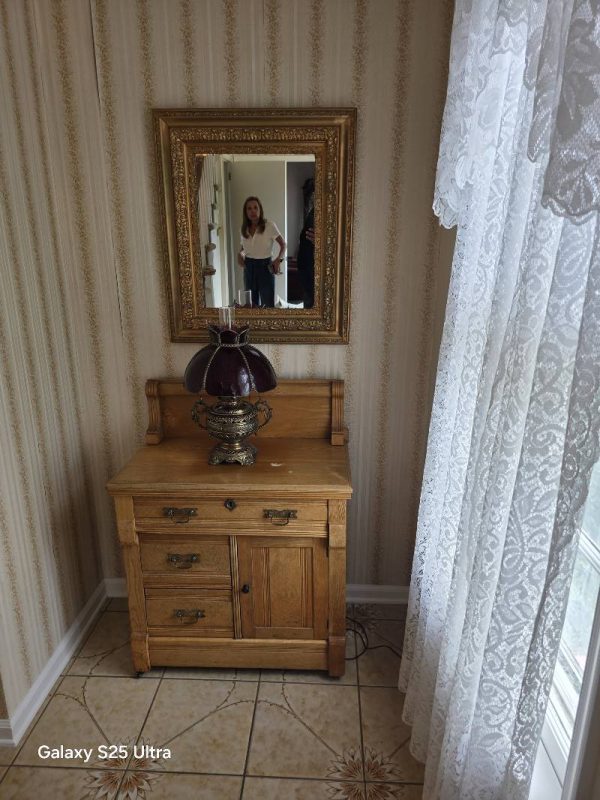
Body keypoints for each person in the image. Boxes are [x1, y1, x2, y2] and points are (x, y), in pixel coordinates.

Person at [237, 196, 286, 308]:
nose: (253, 211)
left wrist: (278, 260)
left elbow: (283, 244)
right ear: (246, 212)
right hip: (249, 268)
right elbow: (245, 249)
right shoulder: (243, 229)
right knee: (251, 305)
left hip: (265, 268)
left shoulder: (269, 225)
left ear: (260, 210)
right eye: (249, 208)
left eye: (255, 207)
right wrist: (240, 255)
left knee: (267, 305)